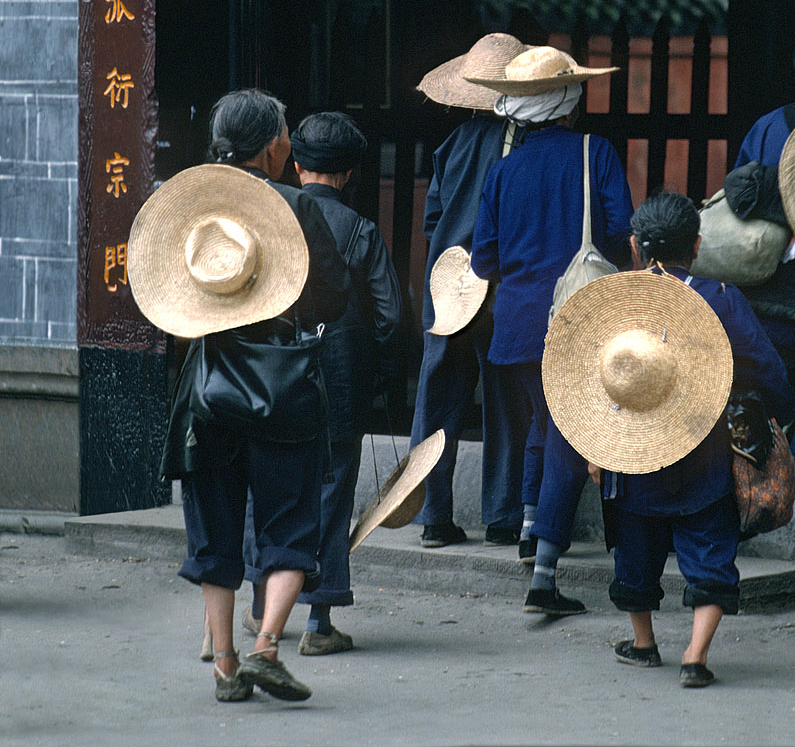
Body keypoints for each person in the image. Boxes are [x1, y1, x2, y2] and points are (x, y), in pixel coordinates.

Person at [153, 88, 351, 704]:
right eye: (285, 133)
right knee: (290, 521)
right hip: (281, 387)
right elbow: (332, 298)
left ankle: (226, 667)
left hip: (208, 389)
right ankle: (268, 643)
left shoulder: (192, 209)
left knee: (213, 529)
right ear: (272, 147)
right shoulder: (297, 207)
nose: (288, 142)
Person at [594, 192, 795, 685]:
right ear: (699, 245)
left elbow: (588, 379)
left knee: (634, 552)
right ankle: (695, 656)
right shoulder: (724, 299)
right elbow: (766, 367)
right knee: (710, 549)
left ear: (636, 247)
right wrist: (783, 413)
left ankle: (643, 644)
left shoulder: (617, 303)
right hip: (705, 459)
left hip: (633, 455)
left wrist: (592, 448)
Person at [468, 45, 634, 616]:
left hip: (514, 327)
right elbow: (618, 231)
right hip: (578, 321)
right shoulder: (597, 152)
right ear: (570, 99)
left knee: (543, 421)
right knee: (572, 436)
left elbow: (482, 262)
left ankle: (529, 525)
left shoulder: (501, 171)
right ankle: (543, 574)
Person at [243, 110, 404, 653]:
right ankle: (319, 622)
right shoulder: (360, 231)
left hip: (273, 367)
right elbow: (389, 317)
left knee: (269, 477)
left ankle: (261, 604)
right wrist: (380, 372)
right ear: (350, 172)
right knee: (332, 485)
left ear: (298, 163)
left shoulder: (272, 215)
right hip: (339, 371)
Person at [408, 33, 532, 548]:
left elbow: (432, 218)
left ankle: (433, 518)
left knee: (436, 400)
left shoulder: (452, 144)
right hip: (501, 285)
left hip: (448, 283)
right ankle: (503, 517)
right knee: (505, 400)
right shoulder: (527, 144)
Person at [734, 27, 795, 463]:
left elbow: (735, 204)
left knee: (768, 411)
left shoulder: (767, 128)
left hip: (767, 301)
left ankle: (764, 485)